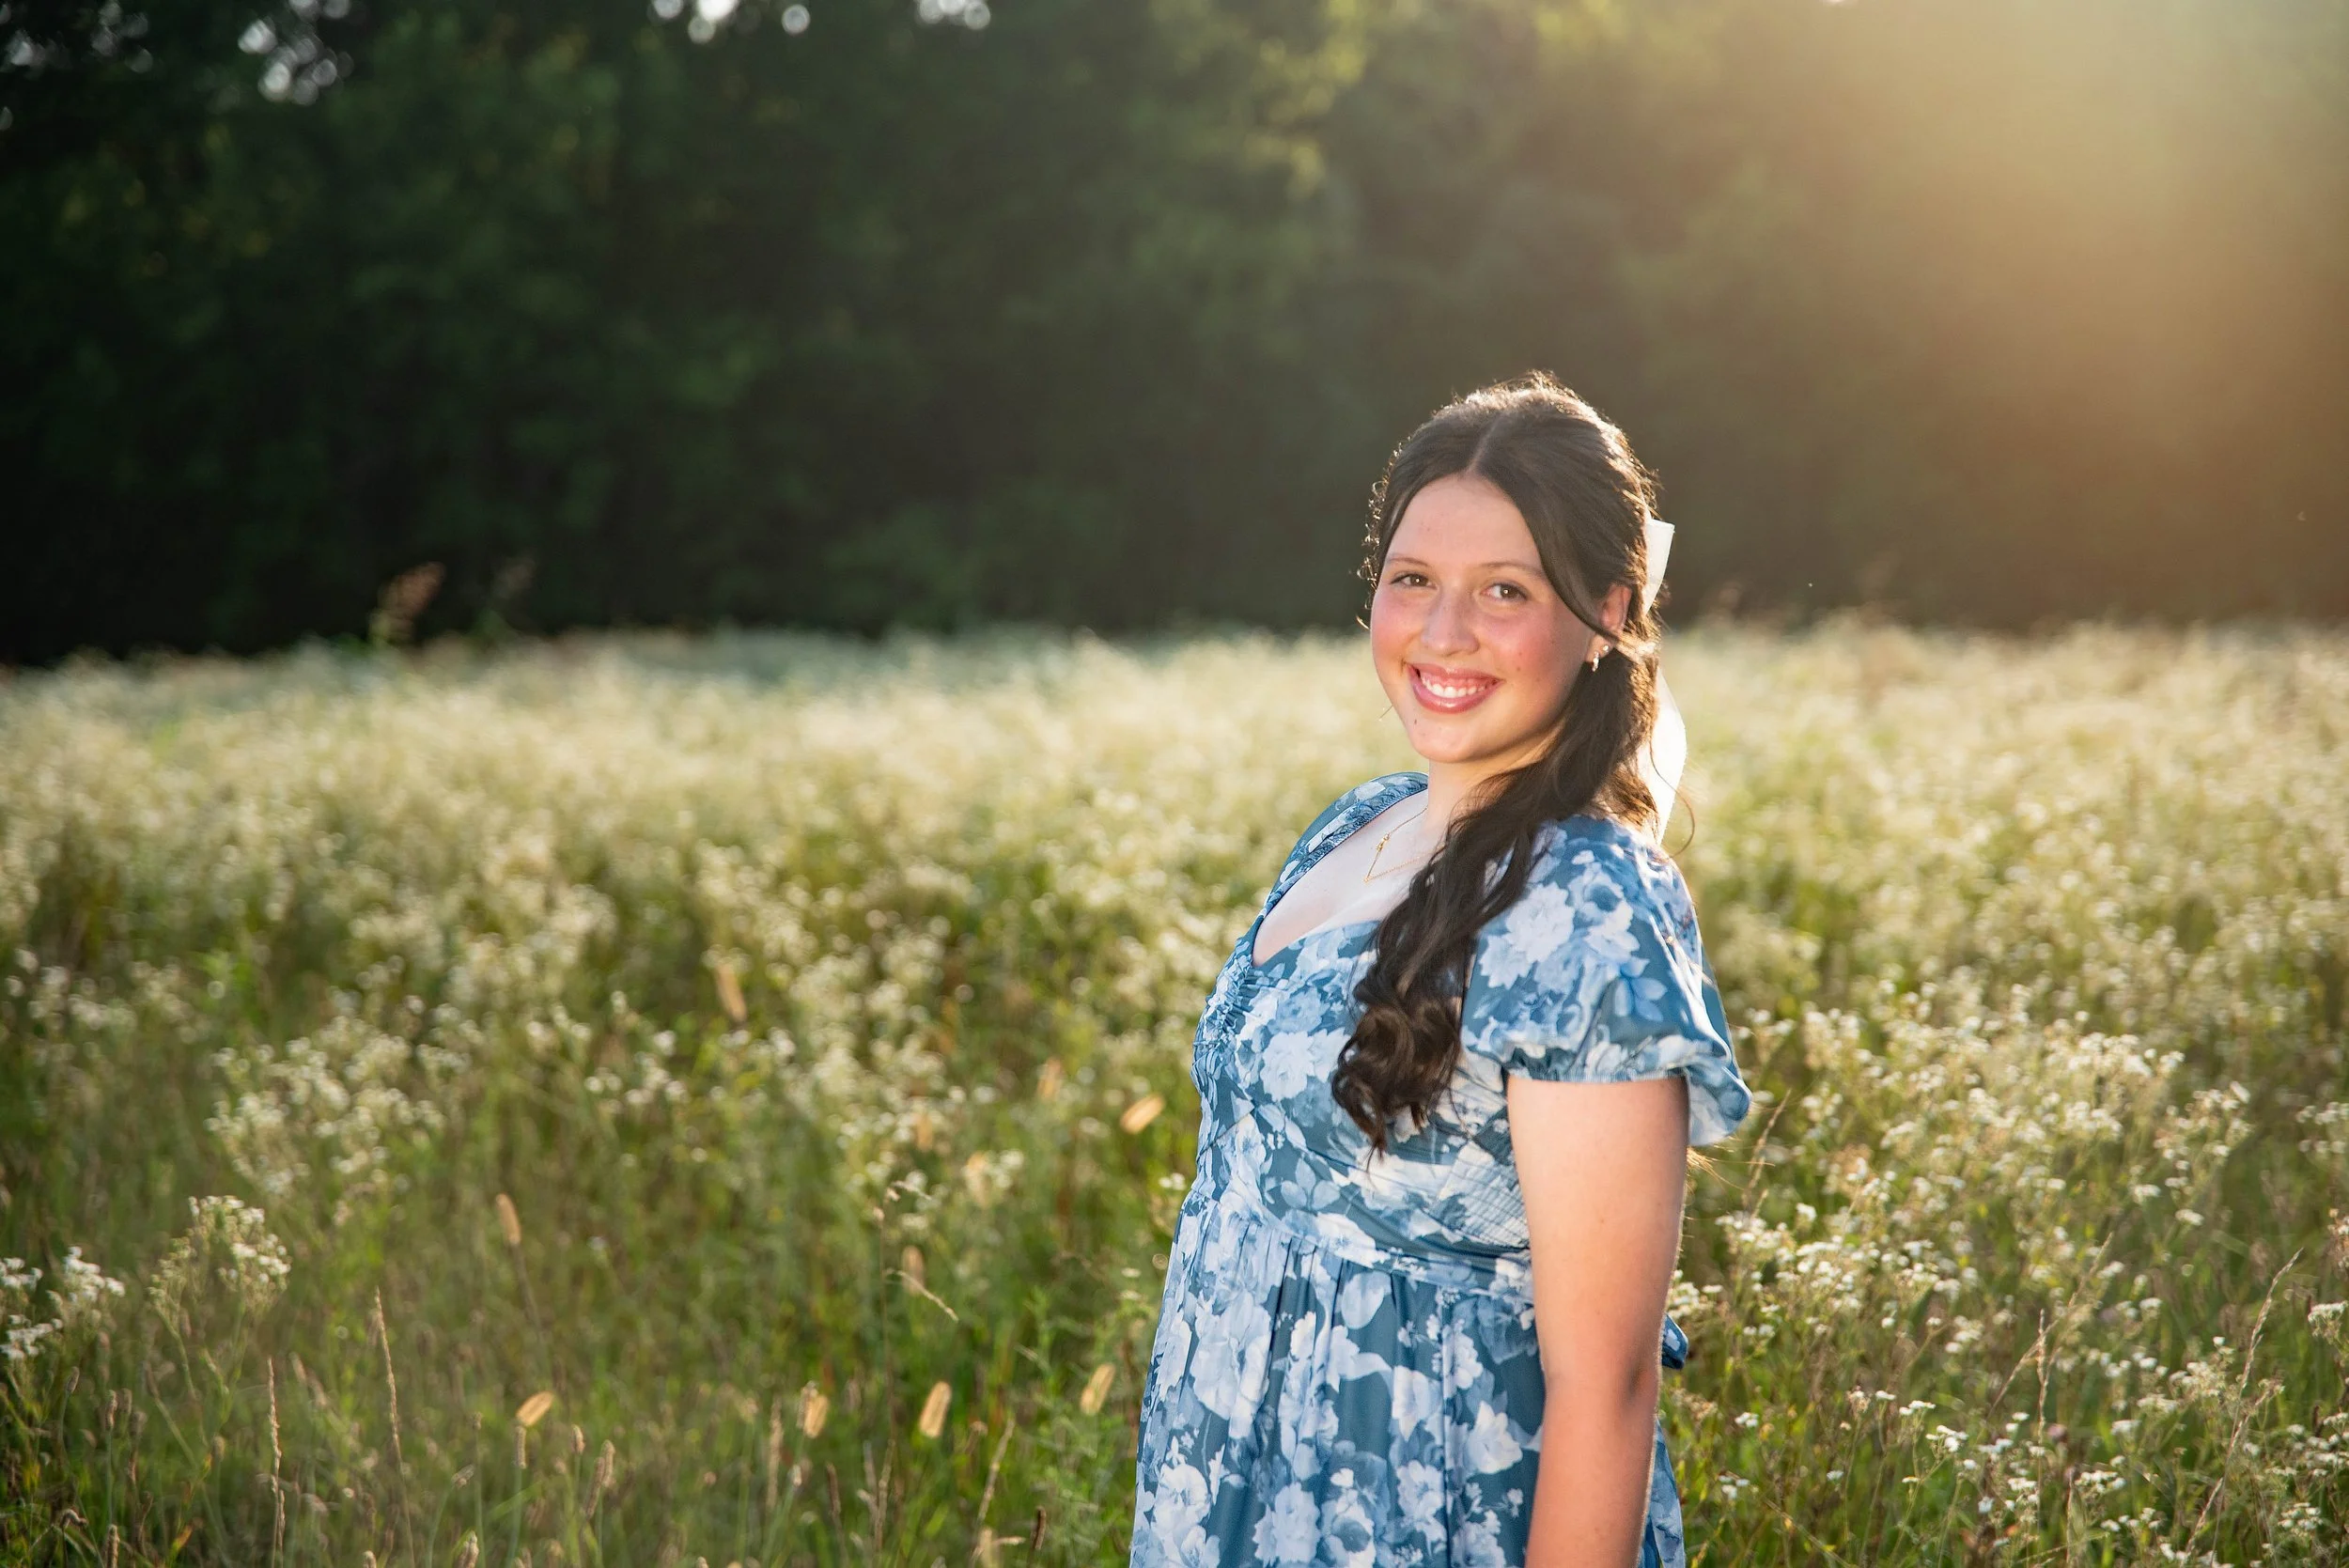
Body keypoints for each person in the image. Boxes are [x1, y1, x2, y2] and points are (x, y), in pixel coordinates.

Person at [1128, 374, 1753, 1567]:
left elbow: (1607, 1383)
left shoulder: (1587, 907)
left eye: (1504, 591)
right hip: (1231, 1498)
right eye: (1413, 578)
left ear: (1607, 610)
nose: (1443, 631)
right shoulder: (1355, 824)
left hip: (1424, 1512)